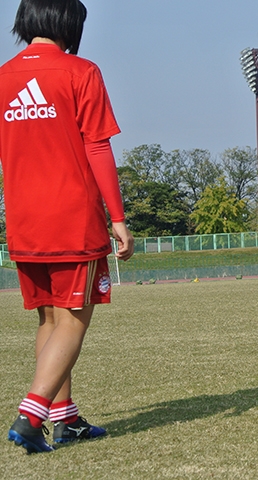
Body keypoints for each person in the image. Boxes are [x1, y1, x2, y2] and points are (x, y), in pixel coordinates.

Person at [1, 0, 134, 453]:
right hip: (71, 218)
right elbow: (98, 148)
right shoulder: (81, 72)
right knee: (74, 319)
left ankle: (66, 418)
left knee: (49, 317)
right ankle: (31, 416)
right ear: (70, 23)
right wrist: (117, 218)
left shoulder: (2, 77)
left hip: (22, 220)